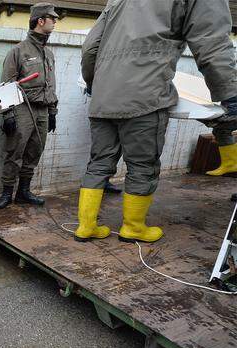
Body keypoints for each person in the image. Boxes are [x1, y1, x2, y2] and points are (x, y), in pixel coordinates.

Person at [75, 0, 237, 243]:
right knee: (142, 166)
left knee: (98, 163)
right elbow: (211, 42)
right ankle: (133, 227)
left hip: (103, 98)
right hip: (145, 94)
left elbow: (90, 47)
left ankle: (86, 226)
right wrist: (230, 94)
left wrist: (92, 83)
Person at [0, 3, 59, 209]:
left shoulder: (49, 54)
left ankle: (23, 192)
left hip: (42, 110)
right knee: (15, 152)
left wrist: (52, 112)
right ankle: (6, 193)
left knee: (34, 151)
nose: (55, 22)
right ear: (40, 21)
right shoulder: (18, 51)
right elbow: (6, 85)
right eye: (52, 18)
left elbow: (52, 84)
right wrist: (7, 115)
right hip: (22, 108)